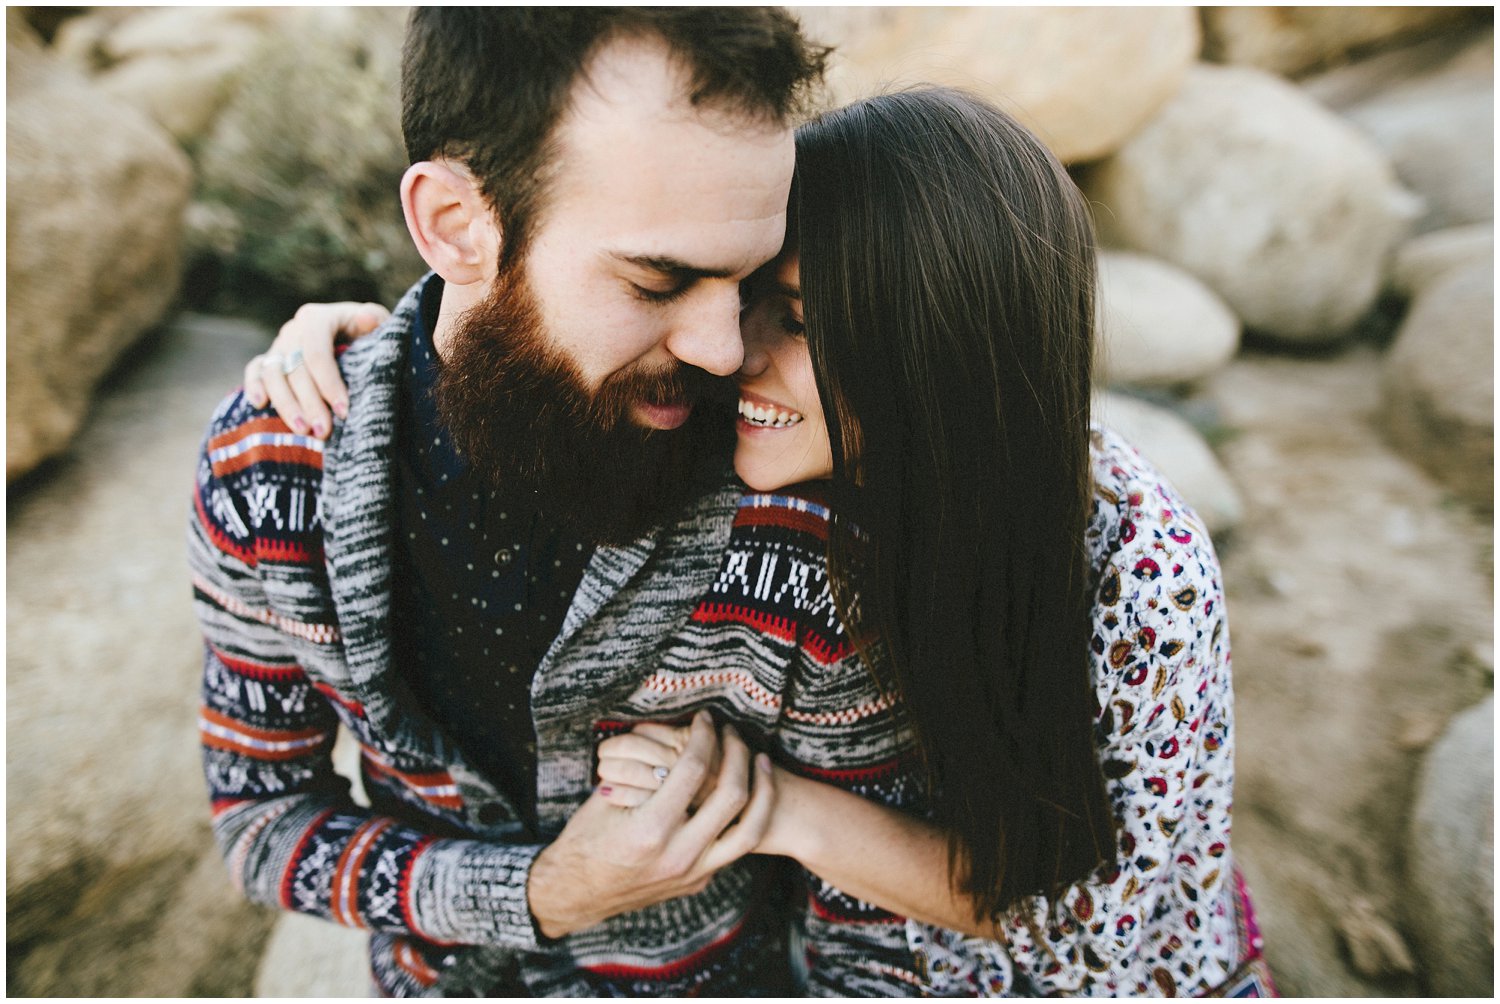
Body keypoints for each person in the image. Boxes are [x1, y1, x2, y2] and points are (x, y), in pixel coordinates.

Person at [267, 87, 1273, 997]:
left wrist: (777, 809)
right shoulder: (755, 439)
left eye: (792, 320)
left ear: (927, 347)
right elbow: (539, 343)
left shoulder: (1136, 570)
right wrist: (389, 346)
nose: (731, 349)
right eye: (748, 293)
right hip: (824, 957)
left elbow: (1074, 919)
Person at [191, 9, 829, 995]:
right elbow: (262, 817)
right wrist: (536, 891)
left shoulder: (785, 485)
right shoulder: (271, 471)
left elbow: (882, 906)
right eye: (660, 281)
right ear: (454, 225)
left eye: (745, 281)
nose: (723, 349)